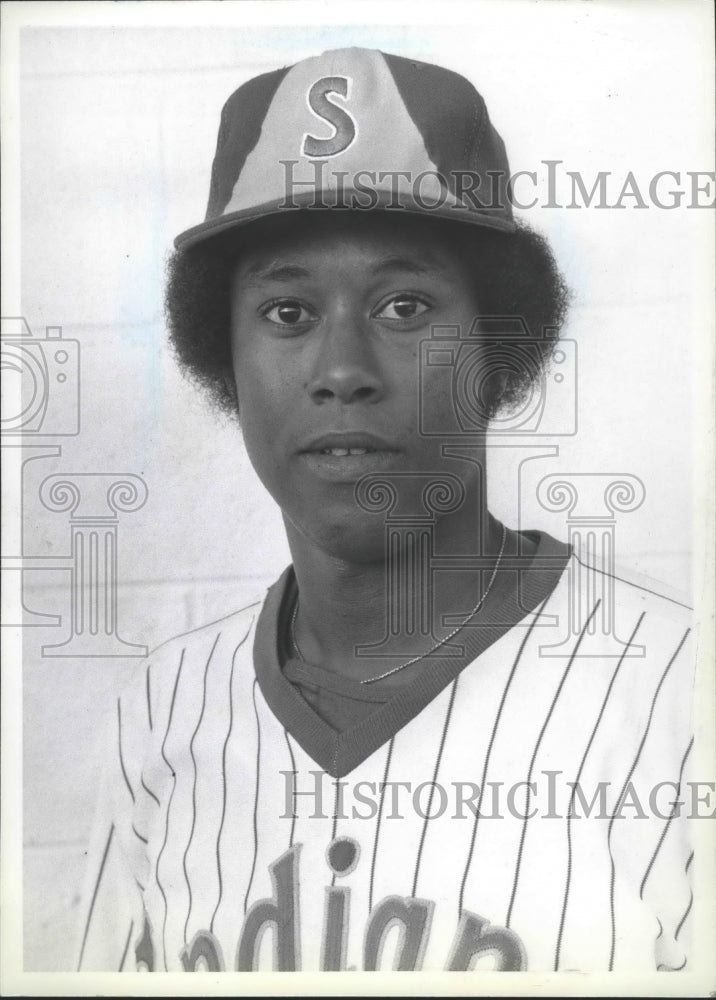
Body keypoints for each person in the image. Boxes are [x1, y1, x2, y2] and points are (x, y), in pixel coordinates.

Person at [75, 46, 694, 974]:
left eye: (405, 306)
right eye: (287, 312)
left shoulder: (682, 701)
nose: (341, 372)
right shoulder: (159, 715)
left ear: (500, 346)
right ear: (223, 359)